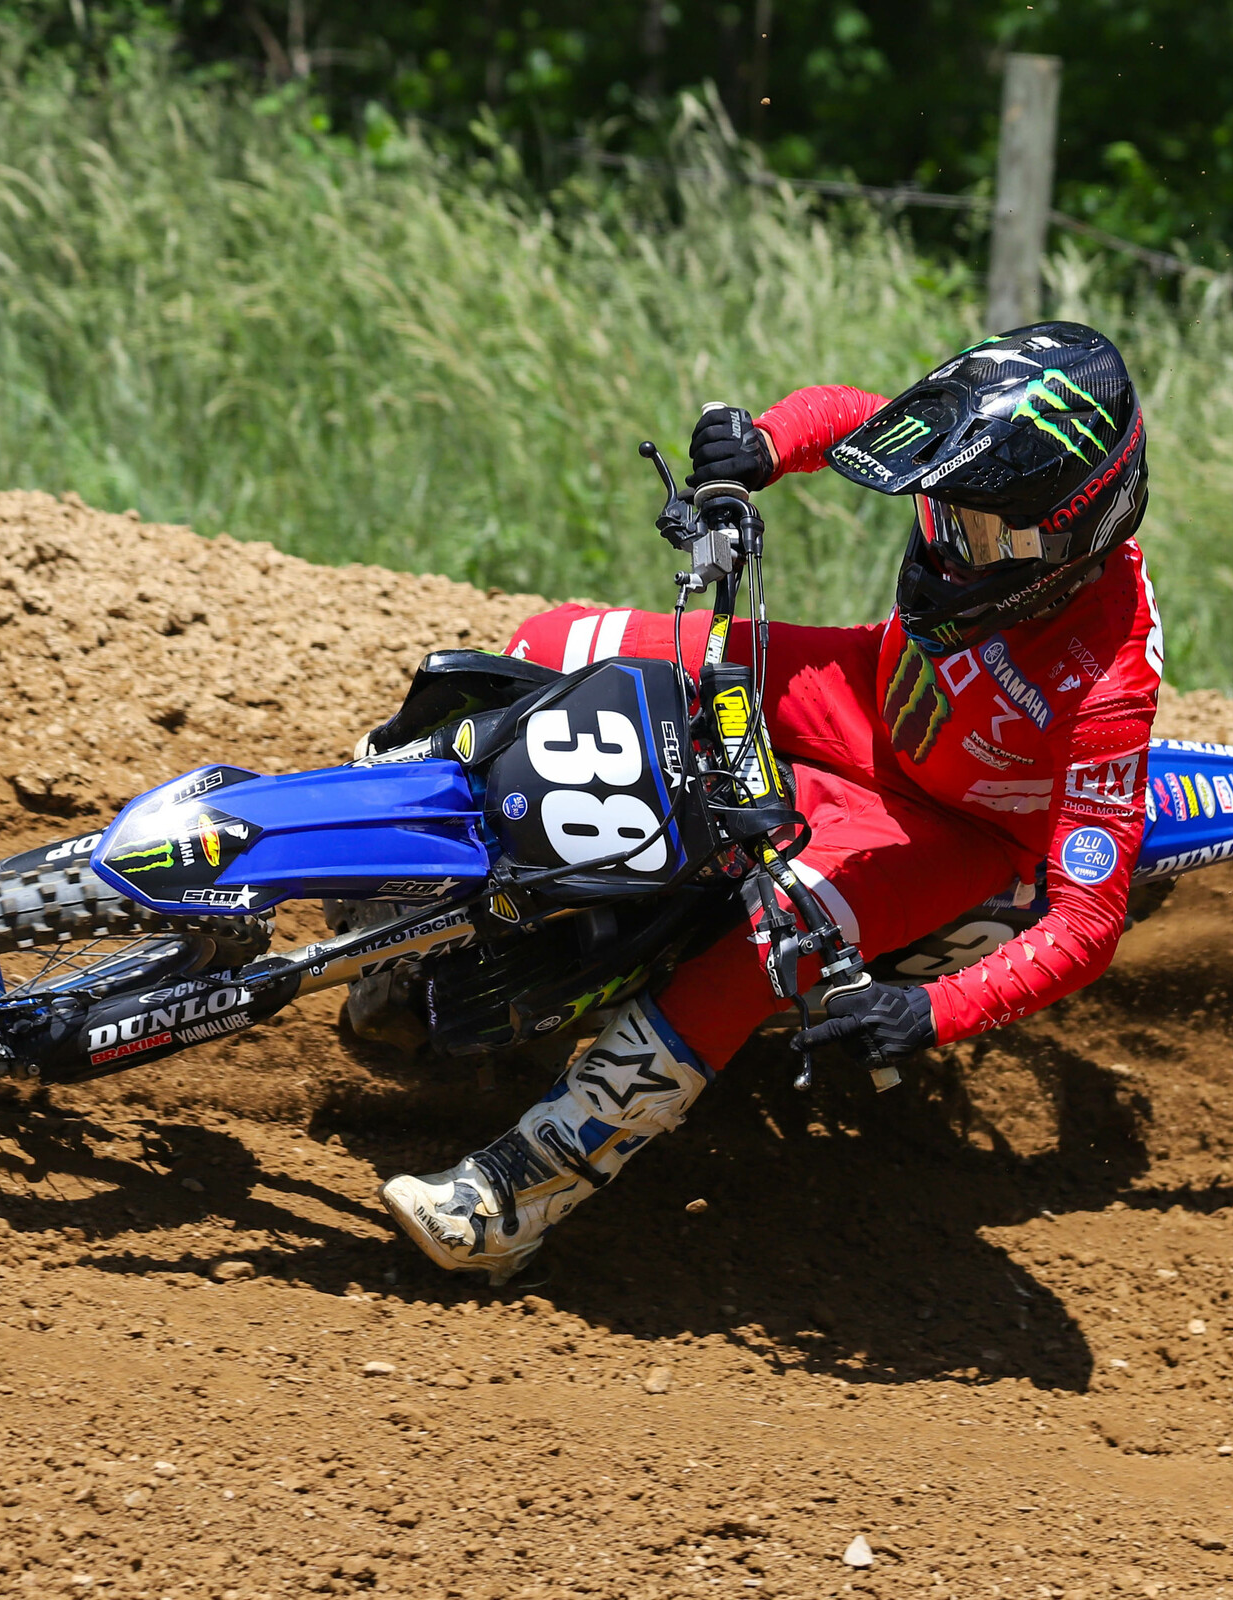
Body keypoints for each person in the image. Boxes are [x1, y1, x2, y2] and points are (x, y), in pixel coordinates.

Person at [381, 321, 1161, 1283]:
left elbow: (1088, 922)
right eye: (943, 513)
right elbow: (852, 421)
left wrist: (927, 1014)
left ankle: (516, 1197)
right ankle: (415, 887)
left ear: (1074, 533)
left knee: (755, 951)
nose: (950, 547)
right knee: (549, 644)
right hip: (861, 690)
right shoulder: (992, 494)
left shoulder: (1111, 681)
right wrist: (759, 448)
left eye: (983, 534)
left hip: (946, 826)